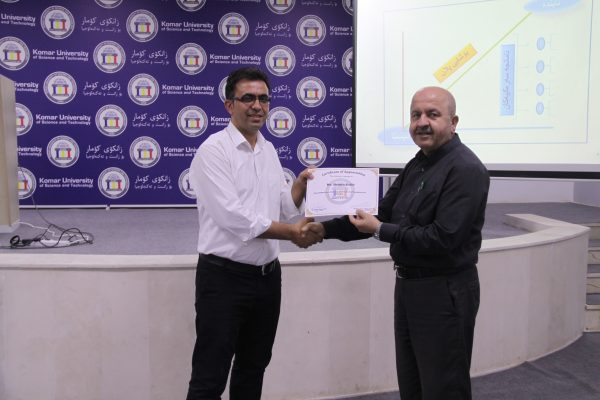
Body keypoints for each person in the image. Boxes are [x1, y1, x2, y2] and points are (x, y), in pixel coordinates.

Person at [304, 87, 490, 400]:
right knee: (412, 384)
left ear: (453, 122)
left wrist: (380, 230)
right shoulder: (418, 163)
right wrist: (322, 229)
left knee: (443, 387)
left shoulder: (466, 169)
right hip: (409, 288)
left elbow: (442, 238)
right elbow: (379, 214)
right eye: (416, 115)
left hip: (444, 291)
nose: (422, 122)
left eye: (432, 114)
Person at [186, 67, 319, 400]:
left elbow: (283, 206)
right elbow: (235, 218)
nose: (257, 105)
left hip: (267, 279)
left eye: (263, 98)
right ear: (229, 105)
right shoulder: (213, 152)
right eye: (248, 98)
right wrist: (292, 233)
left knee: (253, 368)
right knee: (209, 376)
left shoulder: (268, 149)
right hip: (223, 279)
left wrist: (300, 186)